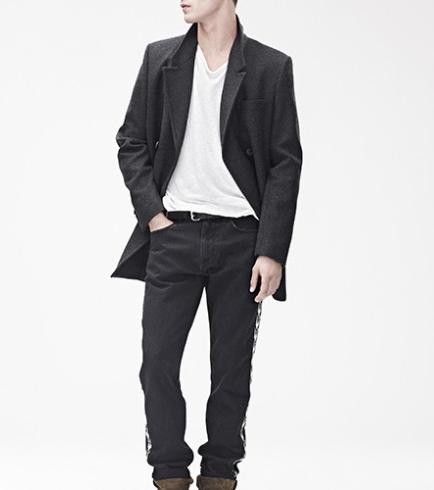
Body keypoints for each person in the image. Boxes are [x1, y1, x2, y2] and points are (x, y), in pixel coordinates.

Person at [110, 1, 303, 488]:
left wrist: (271, 249)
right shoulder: (160, 58)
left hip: (242, 240)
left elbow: (285, 162)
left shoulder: (271, 66)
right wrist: (153, 215)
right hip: (172, 235)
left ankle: (220, 471)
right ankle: (169, 472)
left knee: (232, 369)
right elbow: (131, 140)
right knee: (157, 362)